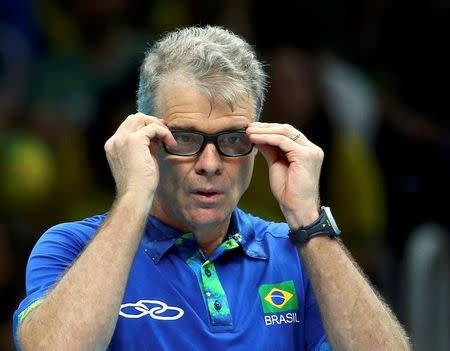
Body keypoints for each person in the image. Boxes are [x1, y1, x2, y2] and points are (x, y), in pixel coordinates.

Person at [13, 26, 410, 350]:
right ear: (144, 138)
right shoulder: (70, 246)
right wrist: (134, 196)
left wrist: (309, 220)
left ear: (259, 142)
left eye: (233, 140)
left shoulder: (298, 253)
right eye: (184, 138)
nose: (209, 164)